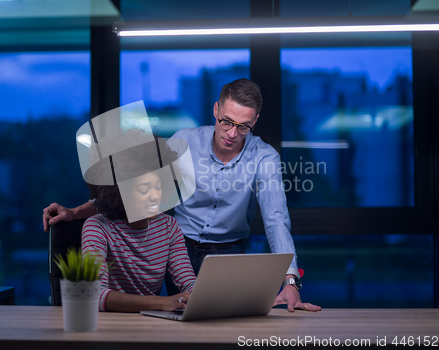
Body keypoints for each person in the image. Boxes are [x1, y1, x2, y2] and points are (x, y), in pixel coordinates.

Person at [44, 78, 321, 312]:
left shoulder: (264, 157)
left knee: (223, 321)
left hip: (229, 251)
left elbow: (275, 219)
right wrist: (76, 213)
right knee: (179, 318)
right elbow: (131, 181)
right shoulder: (184, 142)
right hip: (181, 245)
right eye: (226, 121)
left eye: (243, 126)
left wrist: (290, 282)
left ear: (255, 122)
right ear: (216, 110)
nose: (233, 133)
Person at [79, 131, 196, 312]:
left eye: (159, 187)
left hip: (150, 325)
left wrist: (203, 297)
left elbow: (188, 281)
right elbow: (94, 294)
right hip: (107, 325)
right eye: (144, 189)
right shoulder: (97, 228)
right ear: (121, 193)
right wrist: (161, 303)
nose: (156, 196)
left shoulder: (169, 227)